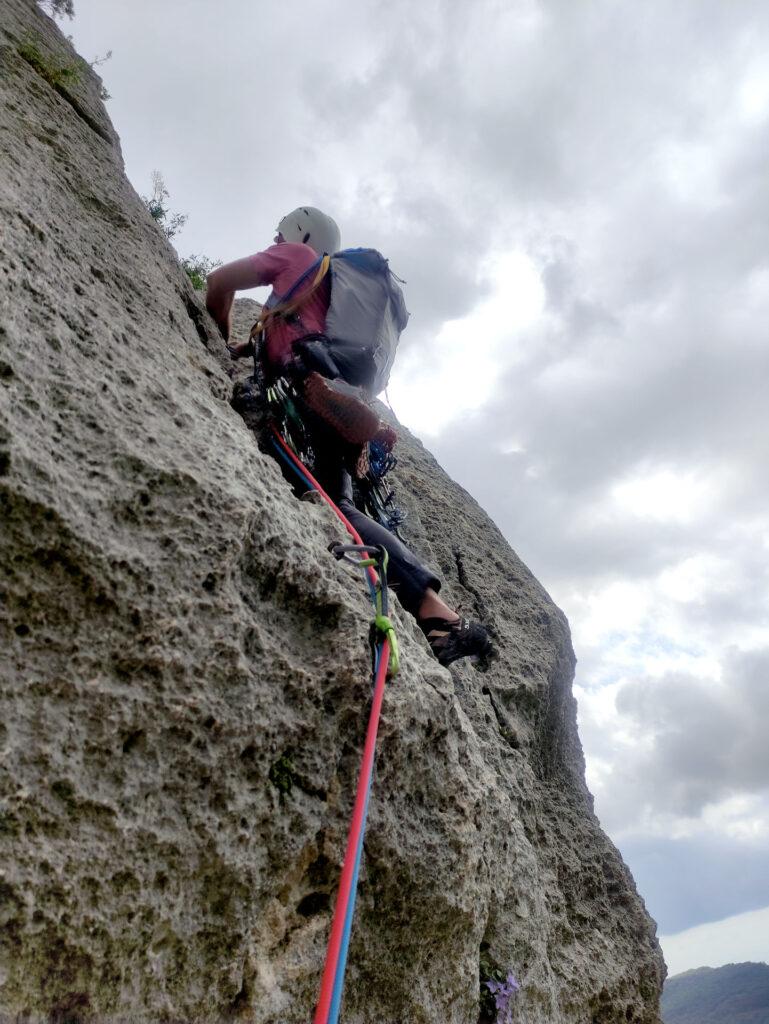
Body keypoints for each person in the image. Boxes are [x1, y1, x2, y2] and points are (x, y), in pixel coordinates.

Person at [206, 207, 491, 666]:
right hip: (336, 399)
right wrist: (251, 344)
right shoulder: (317, 290)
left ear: (301, 233)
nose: (275, 240)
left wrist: (214, 338)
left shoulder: (294, 256)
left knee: (332, 505)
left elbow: (220, 283)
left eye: (280, 234)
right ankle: (434, 613)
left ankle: (440, 612)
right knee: (342, 505)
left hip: (308, 398)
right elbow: (282, 335)